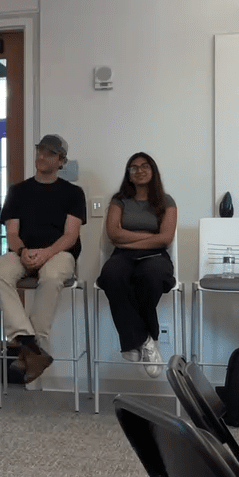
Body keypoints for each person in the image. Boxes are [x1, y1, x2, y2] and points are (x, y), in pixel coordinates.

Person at [0, 134, 87, 383]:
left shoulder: (74, 193)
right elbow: (12, 233)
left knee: (52, 275)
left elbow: (70, 235)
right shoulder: (18, 191)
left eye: (50, 153)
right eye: (40, 151)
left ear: (61, 161)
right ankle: (30, 344)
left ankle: (30, 350)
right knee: (1, 272)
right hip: (24, 251)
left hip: (59, 254)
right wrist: (23, 252)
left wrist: (46, 253)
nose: (42, 156)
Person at [95, 153, 177, 378]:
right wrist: (146, 236)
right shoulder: (118, 200)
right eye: (133, 168)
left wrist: (131, 238)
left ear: (153, 171)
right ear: (128, 174)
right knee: (111, 275)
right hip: (123, 255)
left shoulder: (166, 201)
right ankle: (146, 340)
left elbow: (165, 238)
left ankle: (132, 341)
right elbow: (113, 234)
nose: (139, 171)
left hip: (155, 257)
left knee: (151, 277)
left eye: (144, 166)